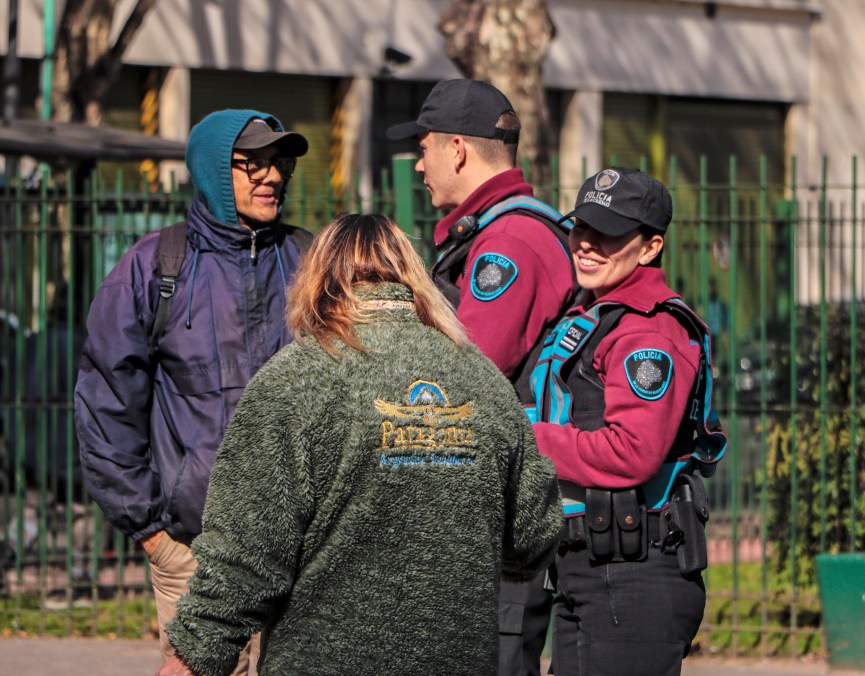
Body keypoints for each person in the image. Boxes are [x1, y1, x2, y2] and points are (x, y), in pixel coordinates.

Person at [154, 214, 563, 675]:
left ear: (317, 280)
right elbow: (531, 537)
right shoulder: (483, 379)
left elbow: (244, 557)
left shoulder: (296, 378)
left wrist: (192, 657)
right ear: (412, 275)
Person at [74, 109, 312, 673]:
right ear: (209, 169)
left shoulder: (312, 260)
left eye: (278, 163)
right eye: (248, 164)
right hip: (195, 552)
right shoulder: (154, 266)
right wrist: (154, 535)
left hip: (306, 554)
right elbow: (106, 405)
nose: (271, 176)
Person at [387, 78, 576, 676]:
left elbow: (467, 373)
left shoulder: (510, 241)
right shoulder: (497, 230)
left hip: (498, 505)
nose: (419, 166)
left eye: (424, 148)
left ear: (459, 151)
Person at [526, 167, 726, 676]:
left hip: (632, 572)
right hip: (586, 567)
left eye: (609, 233)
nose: (587, 244)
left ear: (649, 247)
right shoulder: (593, 314)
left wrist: (522, 440)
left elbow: (630, 453)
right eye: (581, 227)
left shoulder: (648, 332)